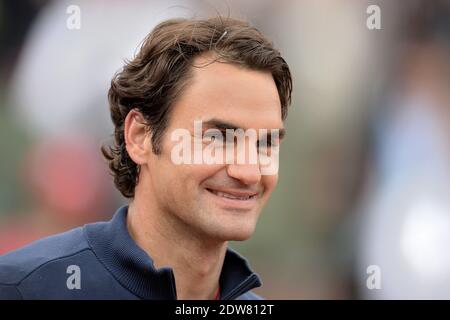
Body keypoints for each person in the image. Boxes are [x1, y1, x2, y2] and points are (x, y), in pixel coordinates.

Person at [0, 16, 292, 300]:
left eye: (265, 143)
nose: (250, 172)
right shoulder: (22, 287)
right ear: (139, 136)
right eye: (217, 138)